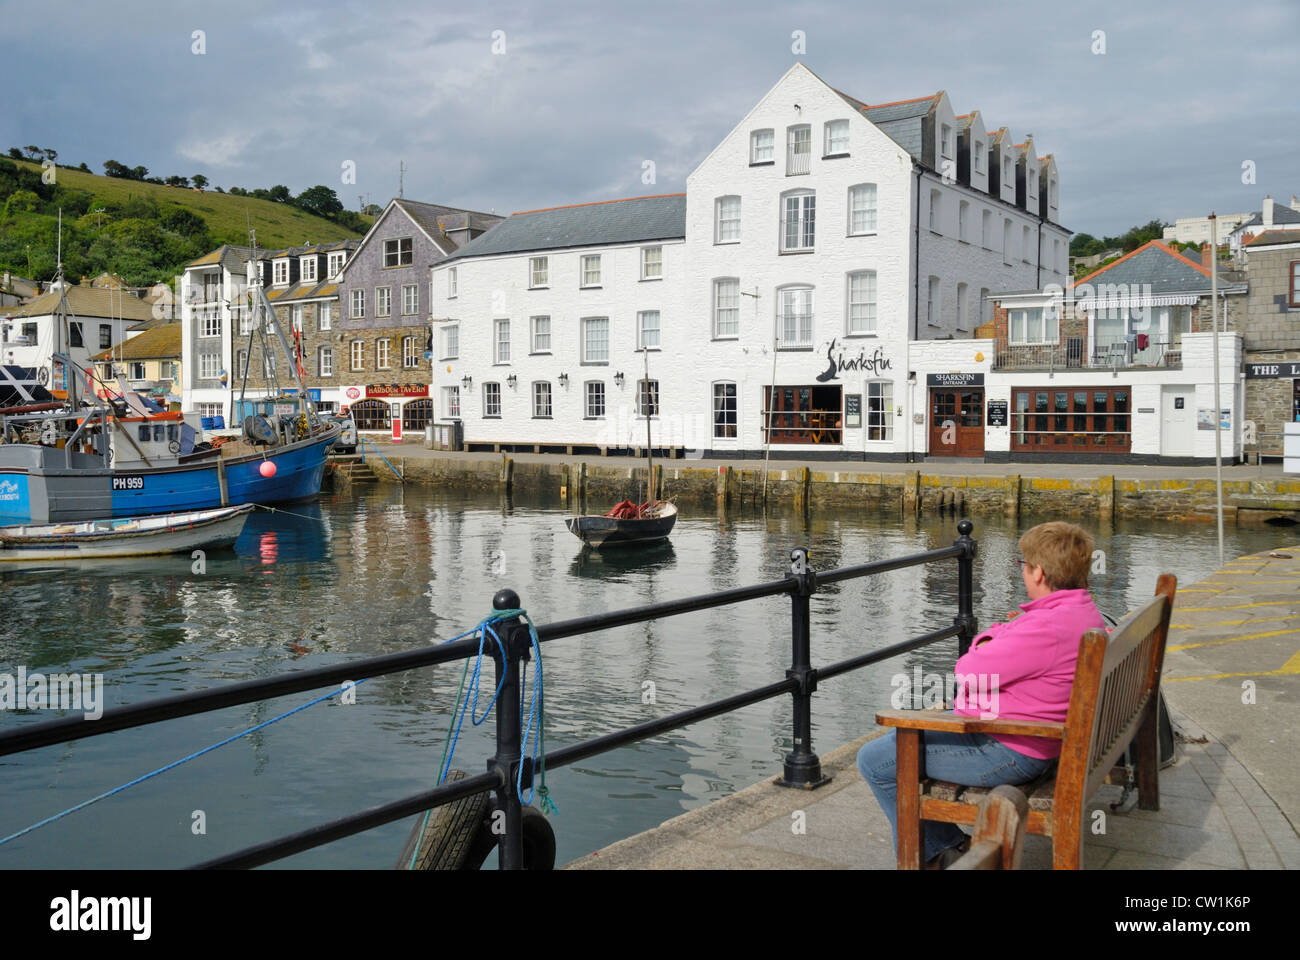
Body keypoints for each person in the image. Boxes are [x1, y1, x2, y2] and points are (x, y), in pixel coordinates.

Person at [857, 521, 1104, 868]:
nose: (1023, 573)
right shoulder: (1079, 611)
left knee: (875, 761)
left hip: (1012, 750)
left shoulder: (1046, 627)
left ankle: (938, 855)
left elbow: (969, 671)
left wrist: (987, 640)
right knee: (899, 742)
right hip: (1040, 739)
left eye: (1025, 566)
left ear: (1040, 574)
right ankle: (948, 847)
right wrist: (1002, 635)